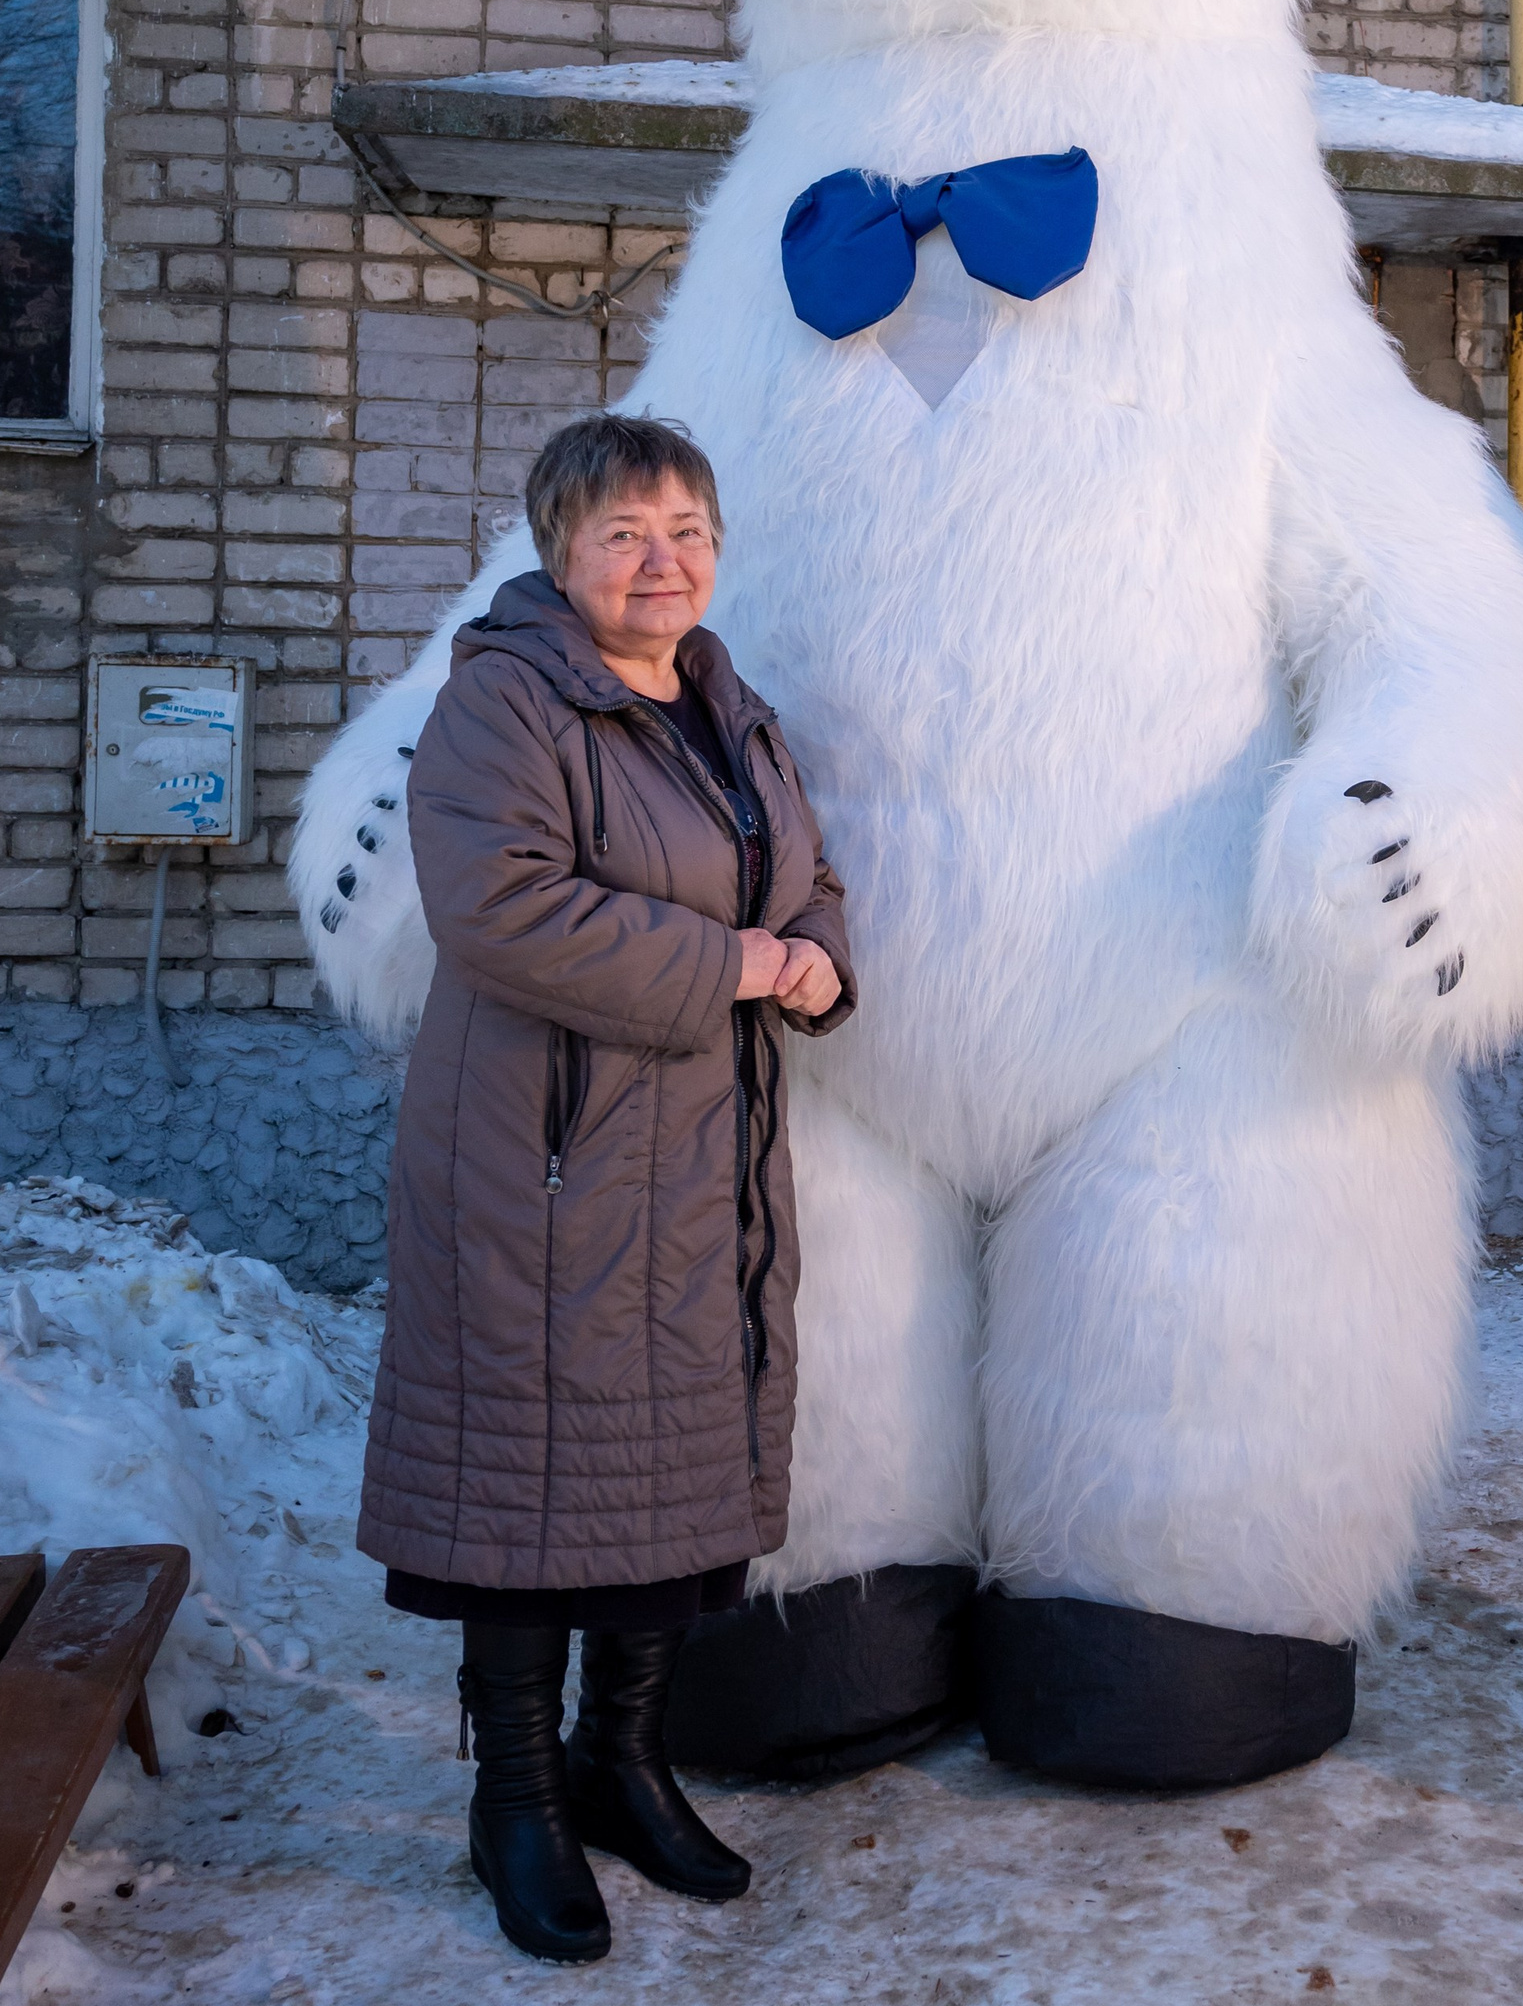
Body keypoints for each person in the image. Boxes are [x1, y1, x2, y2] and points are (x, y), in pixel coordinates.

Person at [354, 413, 856, 1964]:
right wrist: (739, 965)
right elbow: (501, 909)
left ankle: (621, 1762)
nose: (664, 561)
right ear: (557, 550)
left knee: (666, 1470)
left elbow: (799, 872)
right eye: (626, 533)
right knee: (527, 1472)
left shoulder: (728, 706)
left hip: (701, 1159)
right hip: (544, 1159)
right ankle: (515, 1794)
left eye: (689, 530)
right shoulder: (507, 702)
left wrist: (824, 958)